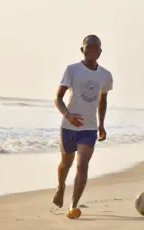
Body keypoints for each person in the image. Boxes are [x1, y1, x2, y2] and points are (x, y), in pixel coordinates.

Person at [52, 34, 113, 219]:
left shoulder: (105, 75)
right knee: (66, 163)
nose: (91, 51)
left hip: (89, 128)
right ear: (82, 50)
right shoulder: (72, 70)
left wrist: (101, 124)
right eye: (88, 48)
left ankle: (73, 205)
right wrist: (68, 116)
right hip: (69, 127)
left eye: (95, 48)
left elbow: (103, 100)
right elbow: (58, 98)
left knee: (82, 165)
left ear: (100, 52)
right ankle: (61, 186)